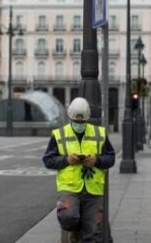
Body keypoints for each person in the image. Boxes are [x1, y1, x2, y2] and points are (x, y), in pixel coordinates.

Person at [43, 98, 116, 242]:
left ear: (87, 119)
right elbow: (48, 160)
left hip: (93, 191)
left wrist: (97, 160)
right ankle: (75, 231)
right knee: (68, 217)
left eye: (82, 122)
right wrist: (66, 160)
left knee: (95, 234)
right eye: (76, 121)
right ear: (70, 117)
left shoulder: (99, 133)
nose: (79, 124)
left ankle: (84, 233)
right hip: (70, 188)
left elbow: (111, 158)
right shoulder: (59, 134)